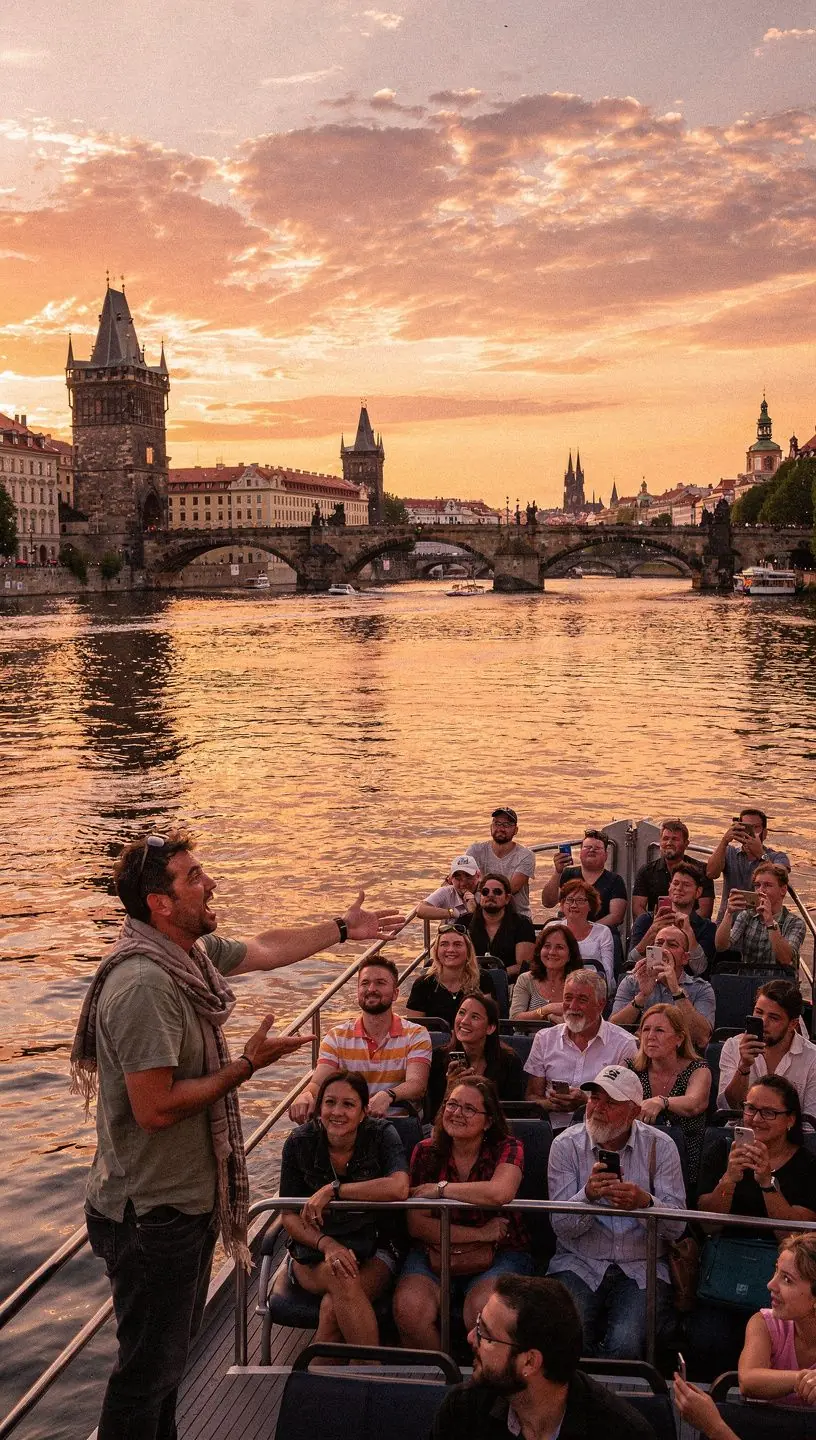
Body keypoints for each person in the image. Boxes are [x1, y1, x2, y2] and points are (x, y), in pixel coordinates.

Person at [73, 829, 403, 1440]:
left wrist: (339, 928)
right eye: (194, 876)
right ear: (160, 903)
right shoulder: (146, 984)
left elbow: (259, 948)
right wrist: (246, 1067)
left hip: (186, 1201)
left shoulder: (187, 958)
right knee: (145, 1376)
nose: (211, 883)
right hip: (152, 1214)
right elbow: (154, 1108)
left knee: (167, 1369)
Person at [547, 1064, 686, 1359]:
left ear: (634, 1112)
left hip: (642, 1265)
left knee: (625, 1345)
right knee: (568, 1340)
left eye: (610, 1103)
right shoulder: (565, 1145)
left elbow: (678, 1227)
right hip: (579, 1262)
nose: (598, 1108)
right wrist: (587, 1196)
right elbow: (560, 1225)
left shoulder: (662, 1147)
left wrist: (645, 1203)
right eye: (595, 1098)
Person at [393, 1076, 532, 1351]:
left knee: (483, 1312)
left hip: (501, 1251)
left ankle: (481, 1378)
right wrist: (479, 1233)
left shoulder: (509, 1147)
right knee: (409, 1309)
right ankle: (446, 1379)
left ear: (489, 1121)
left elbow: (499, 1193)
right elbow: (417, 1225)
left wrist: (441, 1190)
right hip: (434, 1250)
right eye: (452, 1105)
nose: (457, 1113)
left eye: (469, 1109)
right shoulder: (425, 1152)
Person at [430, 1274, 658, 1440]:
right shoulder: (462, 1410)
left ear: (530, 1361)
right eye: (477, 1324)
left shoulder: (622, 1432)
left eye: (485, 1335)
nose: (471, 1337)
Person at [692, 1076, 816, 1379]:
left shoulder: (807, 1166)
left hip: (780, 1274)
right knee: (707, 1340)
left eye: (768, 1112)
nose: (756, 1119)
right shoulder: (721, 1152)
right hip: (724, 1267)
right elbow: (707, 1224)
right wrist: (729, 1180)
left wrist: (766, 1183)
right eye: (750, 1109)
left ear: (790, 1120)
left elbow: (794, 1237)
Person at [279, 1071, 409, 1347]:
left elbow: (399, 1187)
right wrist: (327, 1245)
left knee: (331, 1309)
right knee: (340, 1273)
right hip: (313, 1254)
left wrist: (334, 1189)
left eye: (348, 1105)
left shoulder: (382, 1135)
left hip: (375, 1247)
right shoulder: (299, 1143)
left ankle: (316, 1379)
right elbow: (289, 1215)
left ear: (364, 1113)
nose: (336, 1112)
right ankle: (370, 1377)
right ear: (319, 1108)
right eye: (329, 1103)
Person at [289, 957, 432, 1123]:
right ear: (358, 991)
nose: (371, 989)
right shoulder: (336, 1037)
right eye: (365, 983)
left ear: (395, 994)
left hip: (396, 1123)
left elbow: (416, 1085)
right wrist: (306, 1095)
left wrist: (388, 1095)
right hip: (348, 1124)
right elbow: (318, 1082)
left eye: (380, 983)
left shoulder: (416, 1034)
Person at [524, 969, 637, 1129]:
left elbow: (626, 1104)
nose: (572, 1006)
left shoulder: (624, 1044)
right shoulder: (544, 1039)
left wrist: (586, 1101)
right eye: (568, 998)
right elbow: (531, 1097)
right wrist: (552, 1104)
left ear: (601, 1004)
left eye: (582, 999)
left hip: (601, 1132)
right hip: (551, 1130)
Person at [626, 1003, 711, 1184]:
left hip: (684, 1158)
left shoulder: (698, 1069)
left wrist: (661, 1102)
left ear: (679, 1038)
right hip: (636, 1156)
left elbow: (695, 1103)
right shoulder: (630, 1067)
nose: (650, 1037)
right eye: (646, 1029)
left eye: (659, 1031)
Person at [717, 980, 816, 1117]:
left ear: (792, 1024)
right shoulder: (733, 1046)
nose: (763, 1022)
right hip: (743, 1132)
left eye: (774, 1018)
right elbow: (729, 1109)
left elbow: (810, 1124)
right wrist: (744, 1067)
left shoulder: (812, 1058)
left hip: (790, 1136)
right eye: (758, 1012)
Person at [739, 1234, 816, 1406]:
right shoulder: (763, 1323)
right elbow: (748, 1380)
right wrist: (803, 1379)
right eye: (776, 1271)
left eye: (787, 1279)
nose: (770, 1285)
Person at [612, 923, 715, 1050]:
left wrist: (676, 990)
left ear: (685, 958)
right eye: (659, 944)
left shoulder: (701, 988)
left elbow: (702, 1038)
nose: (664, 950)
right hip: (639, 1054)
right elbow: (613, 1030)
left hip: (681, 1058)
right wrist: (642, 997)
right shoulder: (632, 982)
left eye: (672, 945)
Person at [427, 992, 525, 1118]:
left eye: (475, 1017)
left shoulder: (509, 1062)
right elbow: (433, 1118)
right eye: (461, 1013)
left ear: (490, 1028)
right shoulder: (438, 1058)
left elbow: (514, 1116)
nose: (464, 1021)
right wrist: (451, 1088)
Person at [628, 861, 716, 972]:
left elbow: (700, 969)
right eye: (675, 883)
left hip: (686, 984)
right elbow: (630, 963)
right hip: (650, 981)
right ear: (669, 889)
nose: (679, 888)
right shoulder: (645, 921)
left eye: (686, 885)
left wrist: (689, 932)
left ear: (698, 892)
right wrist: (652, 932)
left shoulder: (707, 928)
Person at [714, 862, 805, 969]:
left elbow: (786, 959)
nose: (760, 890)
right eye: (757, 885)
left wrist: (770, 922)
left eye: (767, 885)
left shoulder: (795, 923)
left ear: (783, 890)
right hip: (749, 979)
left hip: (779, 981)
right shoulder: (746, 916)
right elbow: (721, 946)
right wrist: (728, 914)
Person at [707, 807, 792, 920]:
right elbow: (711, 873)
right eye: (745, 827)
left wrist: (761, 855)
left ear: (765, 833)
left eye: (756, 828)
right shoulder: (729, 852)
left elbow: (782, 877)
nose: (750, 833)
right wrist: (724, 841)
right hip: (727, 922)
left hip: (760, 926)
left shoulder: (777, 857)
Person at [405, 924, 496, 1028]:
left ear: (468, 950)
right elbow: (414, 1030)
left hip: (472, 1041)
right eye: (444, 944)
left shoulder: (483, 978)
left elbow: (487, 1024)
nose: (451, 949)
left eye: (457, 944)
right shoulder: (422, 984)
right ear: (436, 950)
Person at [541, 828, 627, 932]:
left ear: (606, 855)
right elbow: (548, 903)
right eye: (587, 847)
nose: (592, 850)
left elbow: (616, 916)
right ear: (580, 853)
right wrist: (557, 872)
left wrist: (587, 930)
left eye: (597, 848)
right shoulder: (567, 873)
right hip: (569, 932)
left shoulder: (615, 880)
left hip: (601, 933)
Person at [632, 818, 715, 920]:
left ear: (686, 844)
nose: (669, 843)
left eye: (675, 839)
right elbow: (637, 908)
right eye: (665, 838)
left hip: (693, 928)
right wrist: (654, 925)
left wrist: (680, 924)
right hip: (655, 927)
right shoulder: (646, 871)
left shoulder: (701, 871)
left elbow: (705, 911)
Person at [467, 807, 536, 920]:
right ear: (491, 827)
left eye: (507, 825)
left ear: (516, 830)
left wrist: (478, 885)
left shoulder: (526, 855)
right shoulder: (475, 850)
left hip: (517, 917)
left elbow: (511, 889)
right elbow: (466, 881)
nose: (501, 828)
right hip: (481, 915)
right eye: (497, 823)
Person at [465, 873, 535, 980]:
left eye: (497, 892)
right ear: (480, 897)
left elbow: (523, 966)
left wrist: (493, 976)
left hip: (509, 984)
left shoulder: (522, 924)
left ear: (507, 898)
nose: (490, 895)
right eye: (485, 892)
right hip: (469, 980)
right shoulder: (464, 922)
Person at [509, 922, 583, 1024]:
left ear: (570, 955)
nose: (552, 952)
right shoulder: (526, 979)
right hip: (530, 1038)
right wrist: (547, 1011)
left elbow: (587, 1020)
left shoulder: (581, 983)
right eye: (547, 946)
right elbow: (515, 1019)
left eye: (559, 947)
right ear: (540, 951)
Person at [559, 877, 615, 992]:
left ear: (590, 905)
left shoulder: (603, 932)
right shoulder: (552, 928)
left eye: (580, 900)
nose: (573, 905)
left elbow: (607, 973)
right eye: (569, 900)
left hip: (592, 990)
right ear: (562, 905)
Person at [418, 855, 481, 922]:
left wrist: (472, 905)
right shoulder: (447, 892)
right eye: (458, 878)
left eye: (468, 877)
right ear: (450, 879)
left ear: (478, 876)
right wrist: (451, 912)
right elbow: (420, 910)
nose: (463, 883)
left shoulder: (488, 891)